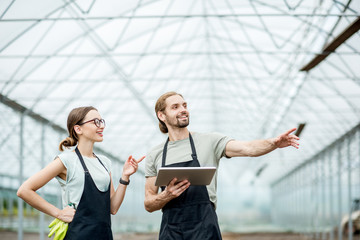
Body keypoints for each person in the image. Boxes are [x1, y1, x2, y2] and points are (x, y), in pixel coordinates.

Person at [144, 92, 299, 240]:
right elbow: (149, 203)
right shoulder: (155, 154)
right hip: (172, 231)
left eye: (185, 105)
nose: (183, 110)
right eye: (175, 107)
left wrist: (273, 143)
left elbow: (248, 148)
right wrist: (167, 195)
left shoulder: (210, 141)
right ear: (161, 115)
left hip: (204, 228)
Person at [17, 106, 144, 240]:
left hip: (104, 235)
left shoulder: (104, 162)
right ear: (78, 129)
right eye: (95, 122)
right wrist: (58, 213)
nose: (101, 126)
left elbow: (113, 208)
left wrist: (125, 176)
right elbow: (24, 190)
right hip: (77, 235)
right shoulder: (66, 160)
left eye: (101, 121)